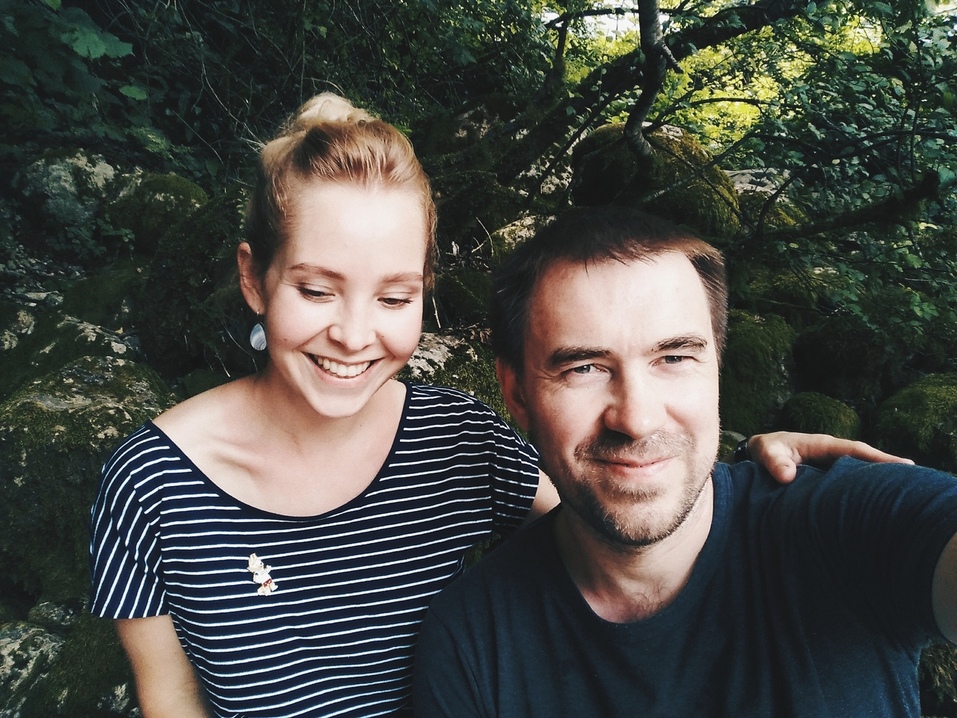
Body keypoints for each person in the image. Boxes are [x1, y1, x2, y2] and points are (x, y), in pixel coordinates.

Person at [89, 95, 908, 718]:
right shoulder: (150, 486)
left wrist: (754, 476)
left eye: (393, 297)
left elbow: (624, 522)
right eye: (315, 289)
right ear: (252, 277)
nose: (353, 334)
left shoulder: (460, 442)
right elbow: (173, 702)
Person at [413, 207, 957, 717]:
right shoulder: (471, 643)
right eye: (584, 367)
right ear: (517, 393)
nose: (637, 418)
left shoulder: (847, 522)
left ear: (718, 367)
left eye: (673, 358)